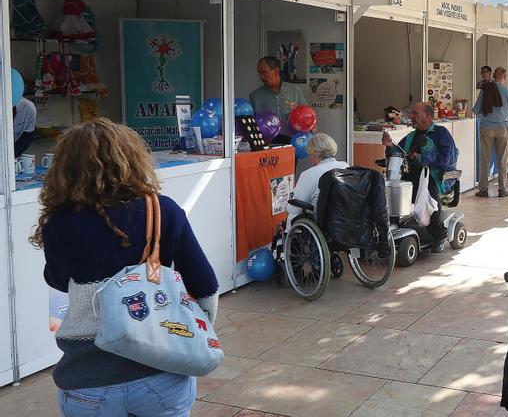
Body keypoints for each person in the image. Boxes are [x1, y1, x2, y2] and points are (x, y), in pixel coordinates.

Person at [33, 118, 218, 417]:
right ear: (131, 159)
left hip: (87, 380)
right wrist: (187, 332)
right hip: (162, 372)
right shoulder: (163, 210)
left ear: (66, 168)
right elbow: (206, 287)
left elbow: (57, 284)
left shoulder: (59, 223)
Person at [382, 102, 457, 252]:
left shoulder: (441, 133)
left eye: (415, 113)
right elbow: (399, 153)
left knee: (428, 187)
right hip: (413, 177)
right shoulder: (410, 137)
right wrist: (390, 146)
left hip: (438, 177)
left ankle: (438, 235)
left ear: (428, 116)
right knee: (389, 187)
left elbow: (447, 159)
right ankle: (393, 227)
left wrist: (423, 157)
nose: (412, 116)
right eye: (412, 113)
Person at [474, 67, 508, 198]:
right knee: (502, 160)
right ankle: (502, 189)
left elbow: (476, 110)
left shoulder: (485, 90)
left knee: (485, 159)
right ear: (504, 77)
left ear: (493, 76)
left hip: (486, 128)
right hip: (503, 129)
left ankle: (483, 189)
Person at [286, 133, 348, 220]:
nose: (309, 157)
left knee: (293, 214)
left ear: (316, 153)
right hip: (344, 221)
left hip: (320, 222)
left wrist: (287, 207)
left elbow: (295, 209)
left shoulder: (310, 174)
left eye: (309, 154)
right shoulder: (346, 167)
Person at [249, 55, 310, 144]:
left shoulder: (294, 91)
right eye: (260, 74)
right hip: (267, 144)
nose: (261, 77)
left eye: (265, 73)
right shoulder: (255, 96)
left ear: (276, 71)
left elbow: (306, 115)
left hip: (291, 142)